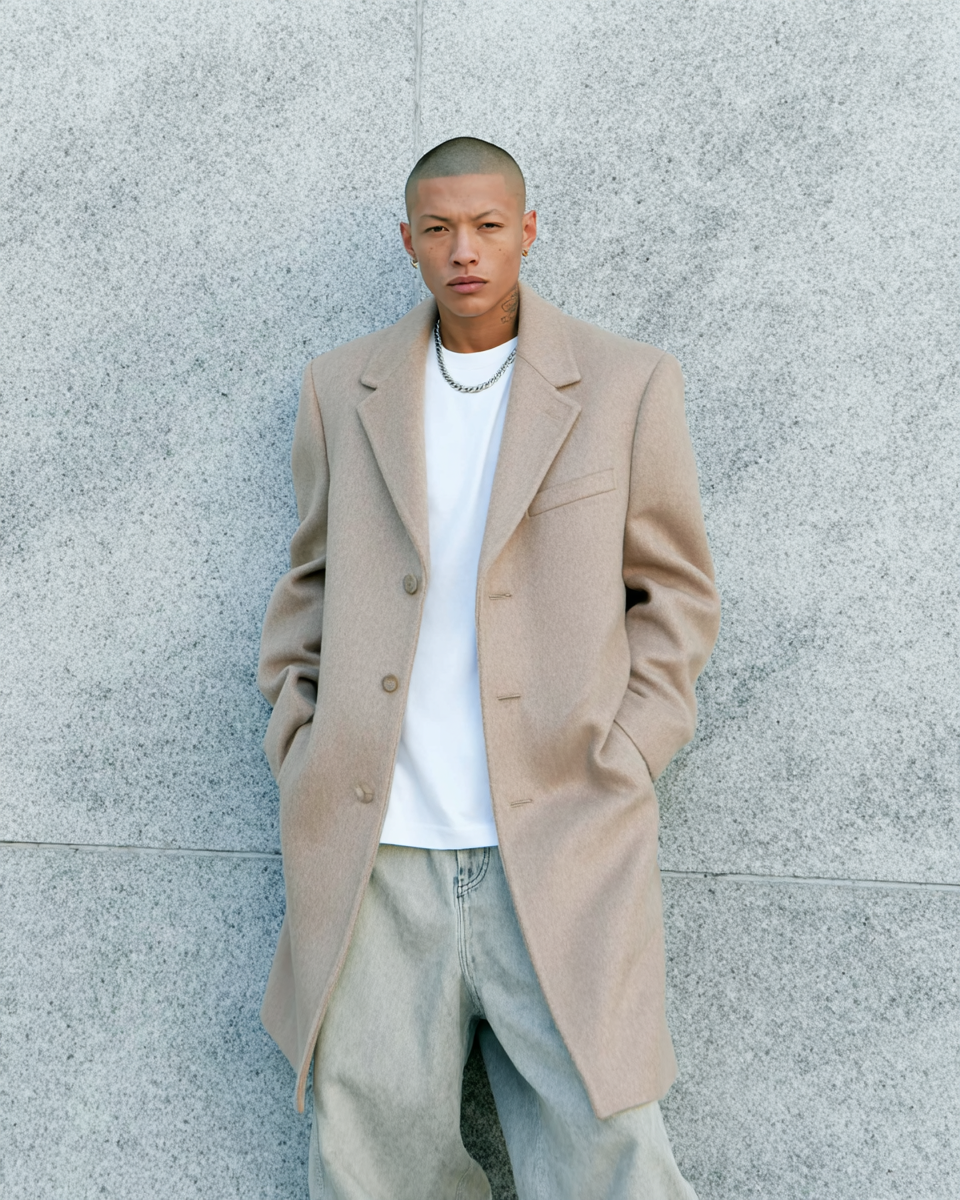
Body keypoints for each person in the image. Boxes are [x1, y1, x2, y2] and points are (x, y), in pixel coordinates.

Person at [257, 136, 721, 1199]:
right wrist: (303, 745)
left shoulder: (626, 383)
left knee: (612, 1153)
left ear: (528, 231)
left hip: (559, 836)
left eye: (487, 225)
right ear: (409, 241)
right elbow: (308, 586)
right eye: (438, 228)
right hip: (376, 849)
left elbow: (677, 593)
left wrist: (627, 752)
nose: (463, 249)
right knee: (370, 1163)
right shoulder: (342, 387)